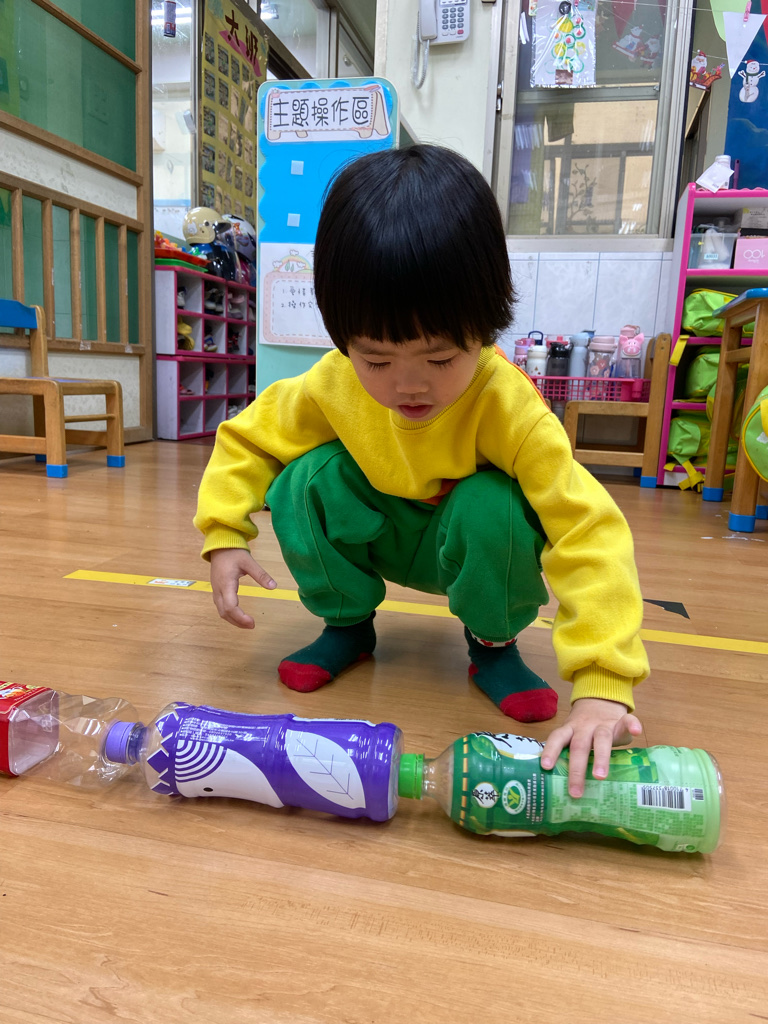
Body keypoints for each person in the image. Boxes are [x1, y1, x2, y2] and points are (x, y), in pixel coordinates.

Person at [194, 144, 648, 797]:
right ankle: (347, 625)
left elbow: (588, 530)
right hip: (379, 531)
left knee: (495, 503)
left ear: (485, 326)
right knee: (303, 479)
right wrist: (223, 532)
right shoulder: (331, 383)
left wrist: (604, 682)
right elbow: (248, 439)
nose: (408, 385)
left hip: (462, 550)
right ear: (342, 337)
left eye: (439, 359)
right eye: (376, 361)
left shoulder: (509, 408)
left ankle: (492, 646)